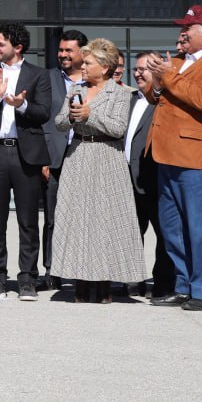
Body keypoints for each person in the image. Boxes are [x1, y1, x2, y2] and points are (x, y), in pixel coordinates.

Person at [145, 5, 202, 311]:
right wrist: (156, 82)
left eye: (189, 28)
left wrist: (167, 76)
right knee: (173, 227)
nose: (182, 33)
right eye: (182, 27)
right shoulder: (180, 61)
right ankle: (183, 285)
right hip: (167, 153)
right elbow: (158, 97)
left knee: (200, 226)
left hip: (196, 157)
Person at [52, 38, 144, 303]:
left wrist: (91, 115)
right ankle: (80, 282)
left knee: (105, 220)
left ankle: (104, 284)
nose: (83, 66)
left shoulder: (121, 94)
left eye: (88, 62)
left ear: (104, 67)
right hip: (79, 155)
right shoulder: (75, 90)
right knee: (78, 220)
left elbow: (118, 128)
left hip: (107, 156)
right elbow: (59, 123)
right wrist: (71, 116)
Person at [0, 22, 52, 302]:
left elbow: (44, 112)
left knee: (28, 220)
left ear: (17, 47)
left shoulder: (38, 75)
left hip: (25, 154)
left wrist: (22, 105)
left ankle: (28, 279)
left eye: (0, 43)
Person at [124, 51, 174, 298]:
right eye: (136, 68)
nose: (137, 73)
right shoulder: (130, 99)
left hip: (155, 178)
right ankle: (133, 280)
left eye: (143, 68)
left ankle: (163, 283)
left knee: (163, 235)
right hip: (127, 179)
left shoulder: (165, 101)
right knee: (132, 233)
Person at [42, 28, 87, 290]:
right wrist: (43, 159)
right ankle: (52, 270)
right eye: (61, 50)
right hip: (55, 159)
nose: (63, 55)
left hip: (85, 157)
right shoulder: (47, 78)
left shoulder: (95, 79)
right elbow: (41, 120)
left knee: (84, 218)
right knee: (52, 218)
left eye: (68, 50)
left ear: (83, 52)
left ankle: (82, 271)